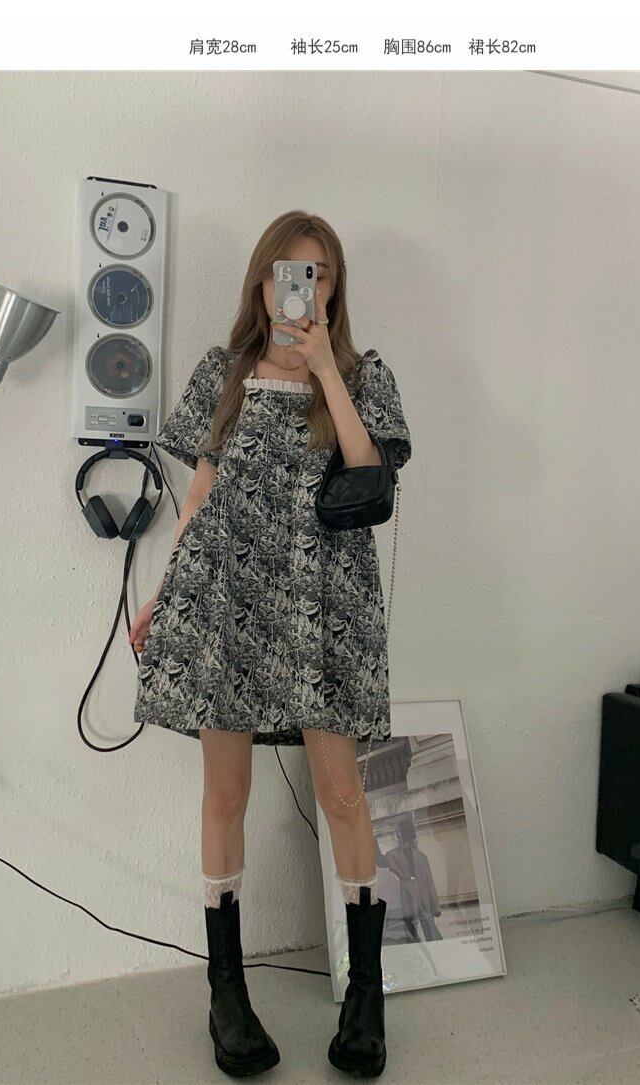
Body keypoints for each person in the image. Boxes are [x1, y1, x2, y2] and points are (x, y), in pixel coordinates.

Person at [129, 210, 412, 1078]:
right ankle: (227, 993)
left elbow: (370, 476)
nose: (303, 288)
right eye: (289, 272)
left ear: (335, 288)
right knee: (226, 792)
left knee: (344, 794)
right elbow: (200, 492)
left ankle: (366, 996)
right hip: (226, 601)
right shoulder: (222, 373)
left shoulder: (364, 374)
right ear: (261, 282)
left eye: (319, 273)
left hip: (327, 608)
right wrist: (162, 591)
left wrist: (324, 366)